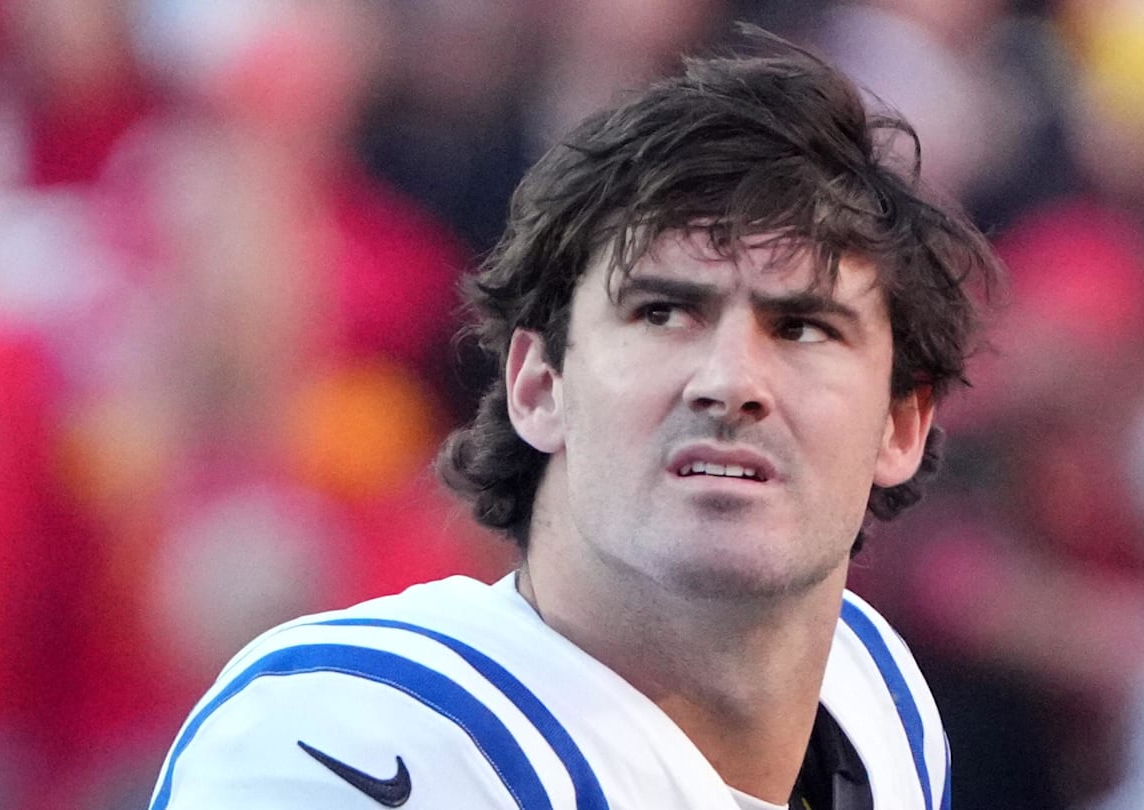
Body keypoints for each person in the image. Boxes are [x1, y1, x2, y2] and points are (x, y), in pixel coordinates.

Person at [146, 28, 998, 810]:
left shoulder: (874, 695)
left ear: (902, 426)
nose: (732, 381)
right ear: (537, 386)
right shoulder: (354, 738)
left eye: (802, 327)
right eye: (664, 313)